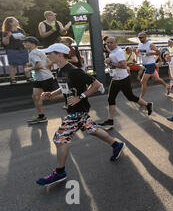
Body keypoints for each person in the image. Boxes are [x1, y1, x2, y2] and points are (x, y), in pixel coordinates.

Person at [37, 43, 125, 186]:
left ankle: (59, 173)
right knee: (93, 130)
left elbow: (97, 84)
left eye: (50, 53)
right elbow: (64, 88)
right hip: (75, 110)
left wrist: (81, 96)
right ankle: (117, 145)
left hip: (77, 111)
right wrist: (51, 94)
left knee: (59, 139)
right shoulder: (60, 71)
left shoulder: (74, 71)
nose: (48, 56)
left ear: (59, 54)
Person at [99, 37, 153, 129]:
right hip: (116, 78)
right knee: (110, 99)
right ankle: (110, 121)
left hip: (123, 79)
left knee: (130, 97)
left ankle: (148, 105)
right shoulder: (112, 51)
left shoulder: (118, 52)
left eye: (111, 42)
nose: (109, 44)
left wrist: (111, 63)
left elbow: (124, 65)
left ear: (116, 43)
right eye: (107, 43)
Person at [23, 36, 59, 124]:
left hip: (44, 78)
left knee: (50, 97)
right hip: (40, 78)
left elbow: (40, 66)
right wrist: (30, 64)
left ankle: (70, 96)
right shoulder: (38, 51)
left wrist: (29, 69)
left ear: (32, 44)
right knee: (35, 97)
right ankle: (41, 116)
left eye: (26, 42)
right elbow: (47, 63)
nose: (24, 43)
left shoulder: (33, 53)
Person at [137, 32, 169, 99]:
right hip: (145, 64)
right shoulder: (140, 44)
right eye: (139, 37)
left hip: (150, 65)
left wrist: (151, 53)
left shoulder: (150, 44)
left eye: (141, 37)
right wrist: (136, 51)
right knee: (156, 78)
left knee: (143, 81)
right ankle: (167, 85)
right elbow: (140, 54)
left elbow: (158, 52)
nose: (140, 39)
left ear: (145, 37)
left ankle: (141, 98)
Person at [1, 17, 31, 84]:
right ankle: (12, 79)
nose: (17, 21)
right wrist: (8, 36)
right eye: (15, 20)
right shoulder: (6, 32)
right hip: (12, 50)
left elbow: (25, 39)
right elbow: (5, 43)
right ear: (10, 23)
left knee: (26, 64)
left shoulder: (21, 30)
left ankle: (28, 78)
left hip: (23, 49)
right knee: (13, 65)